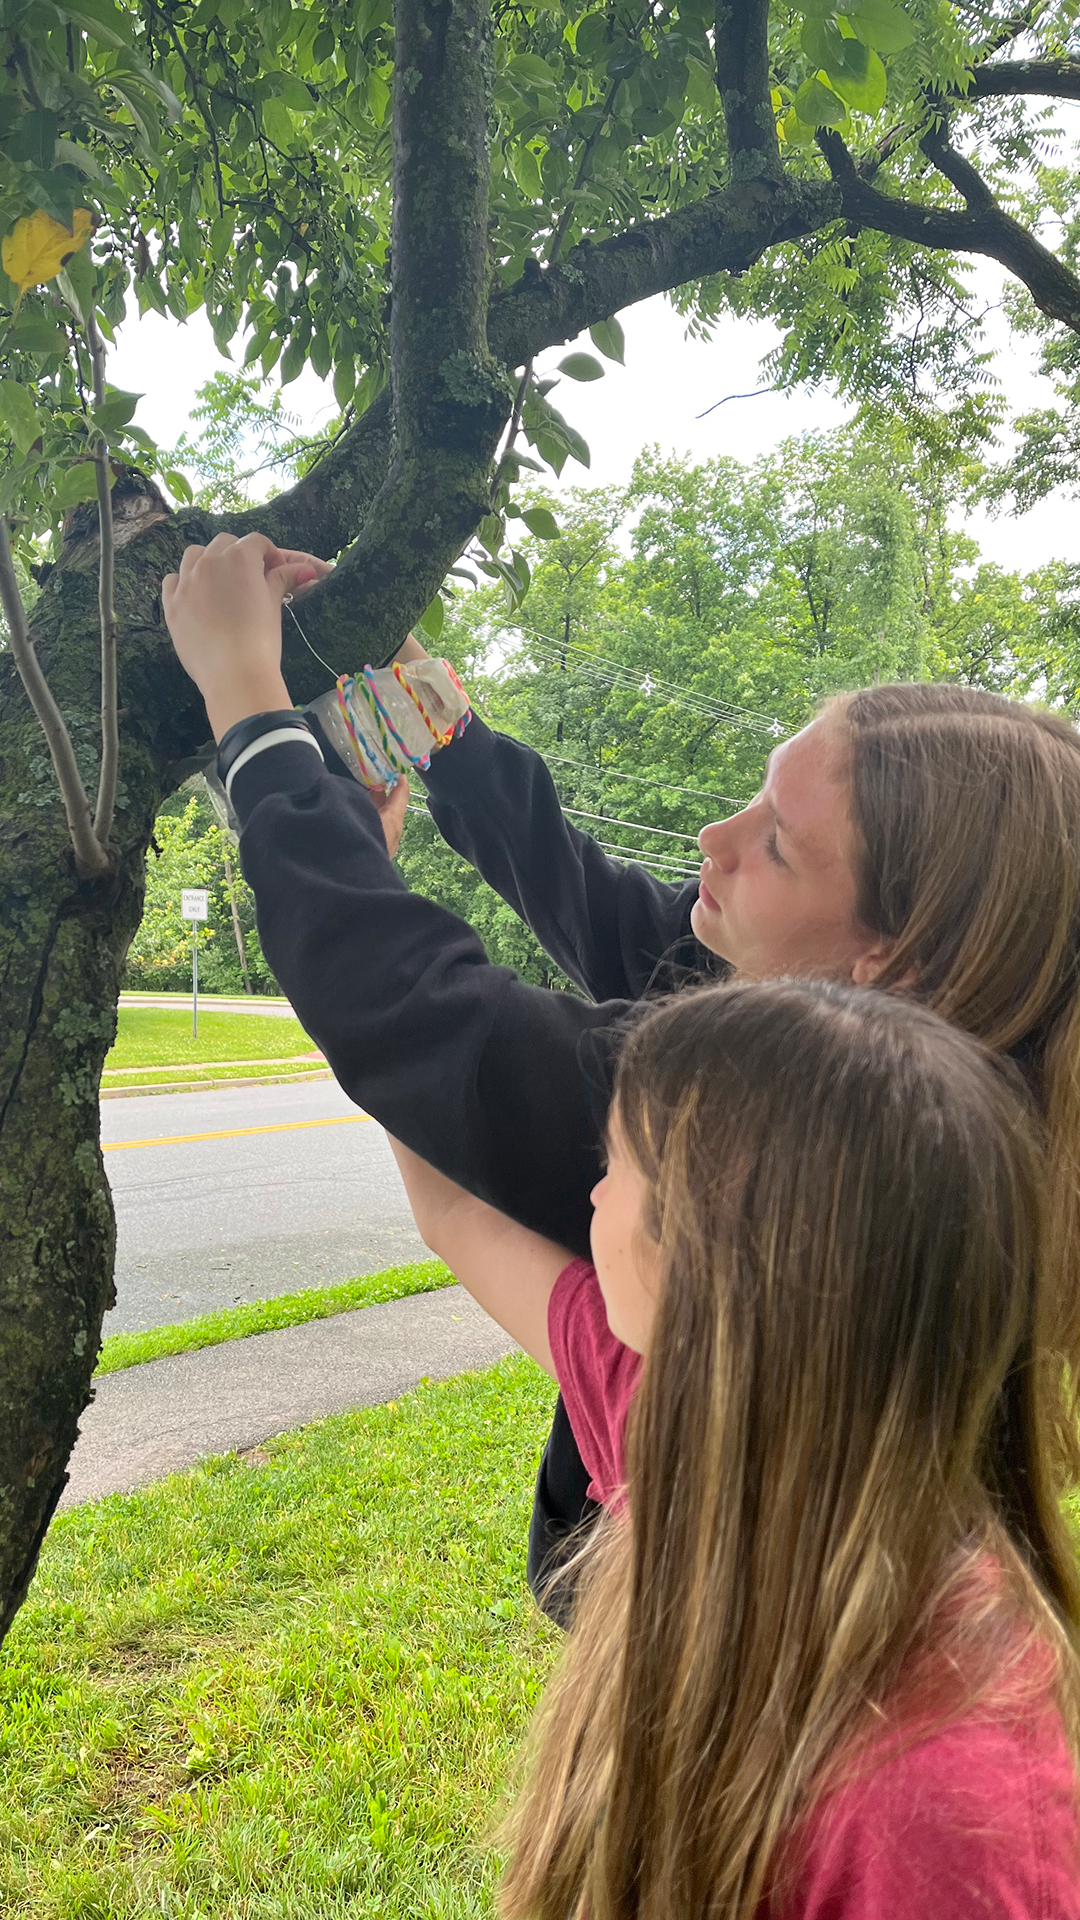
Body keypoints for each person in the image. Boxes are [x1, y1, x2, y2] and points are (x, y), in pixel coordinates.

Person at [161, 531, 1080, 1610]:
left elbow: (416, 1014)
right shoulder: (959, 1096)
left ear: (893, 956)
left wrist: (251, 714)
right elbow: (602, 908)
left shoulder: (774, 1150)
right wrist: (433, 718)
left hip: (674, 1638)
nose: (714, 834)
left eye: (777, 843)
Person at [386, 980, 1080, 1918]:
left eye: (617, 1158)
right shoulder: (679, 1428)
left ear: (713, 1261)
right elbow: (456, 1216)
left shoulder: (948, 1805)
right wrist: (367, 960)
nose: (591, 1186)